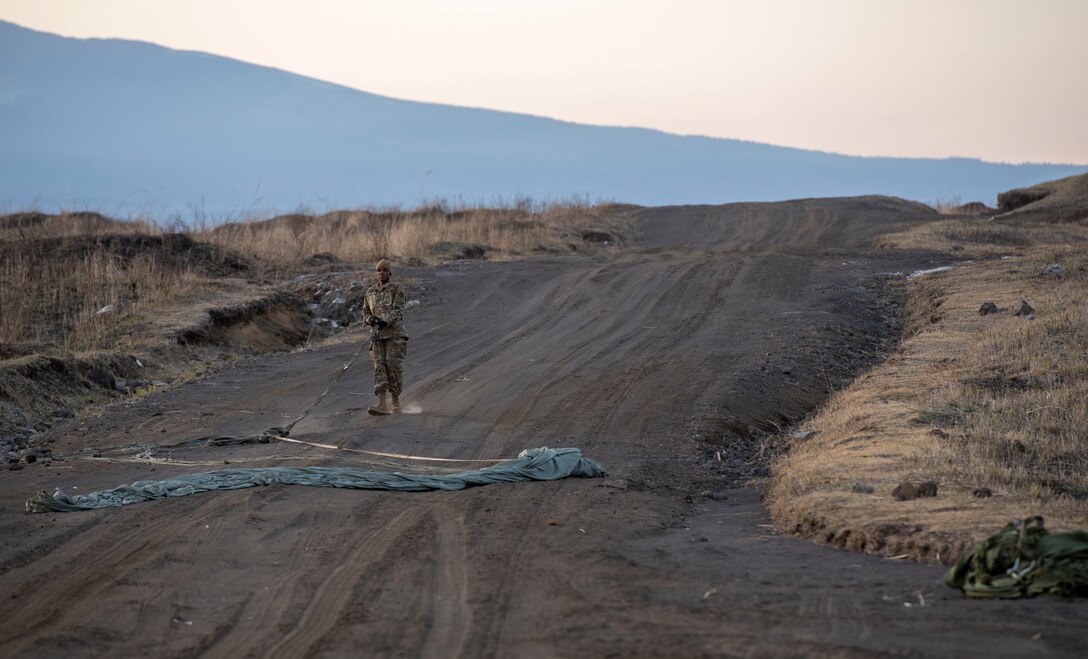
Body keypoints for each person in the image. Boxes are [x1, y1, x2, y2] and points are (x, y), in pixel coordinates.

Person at [362, 258, 408, 415]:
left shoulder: (397, 288)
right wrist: (370, 320)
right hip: (377, 337)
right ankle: (381, 403)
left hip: (394, 335)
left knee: (392, 366)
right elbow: (365, 311)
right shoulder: (370, 292)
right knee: (379, 368)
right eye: (379, 270)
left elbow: (398, 310)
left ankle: (395, 402)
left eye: (384, 270)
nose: (381, 273)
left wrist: (385, 322)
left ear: (390, 272)